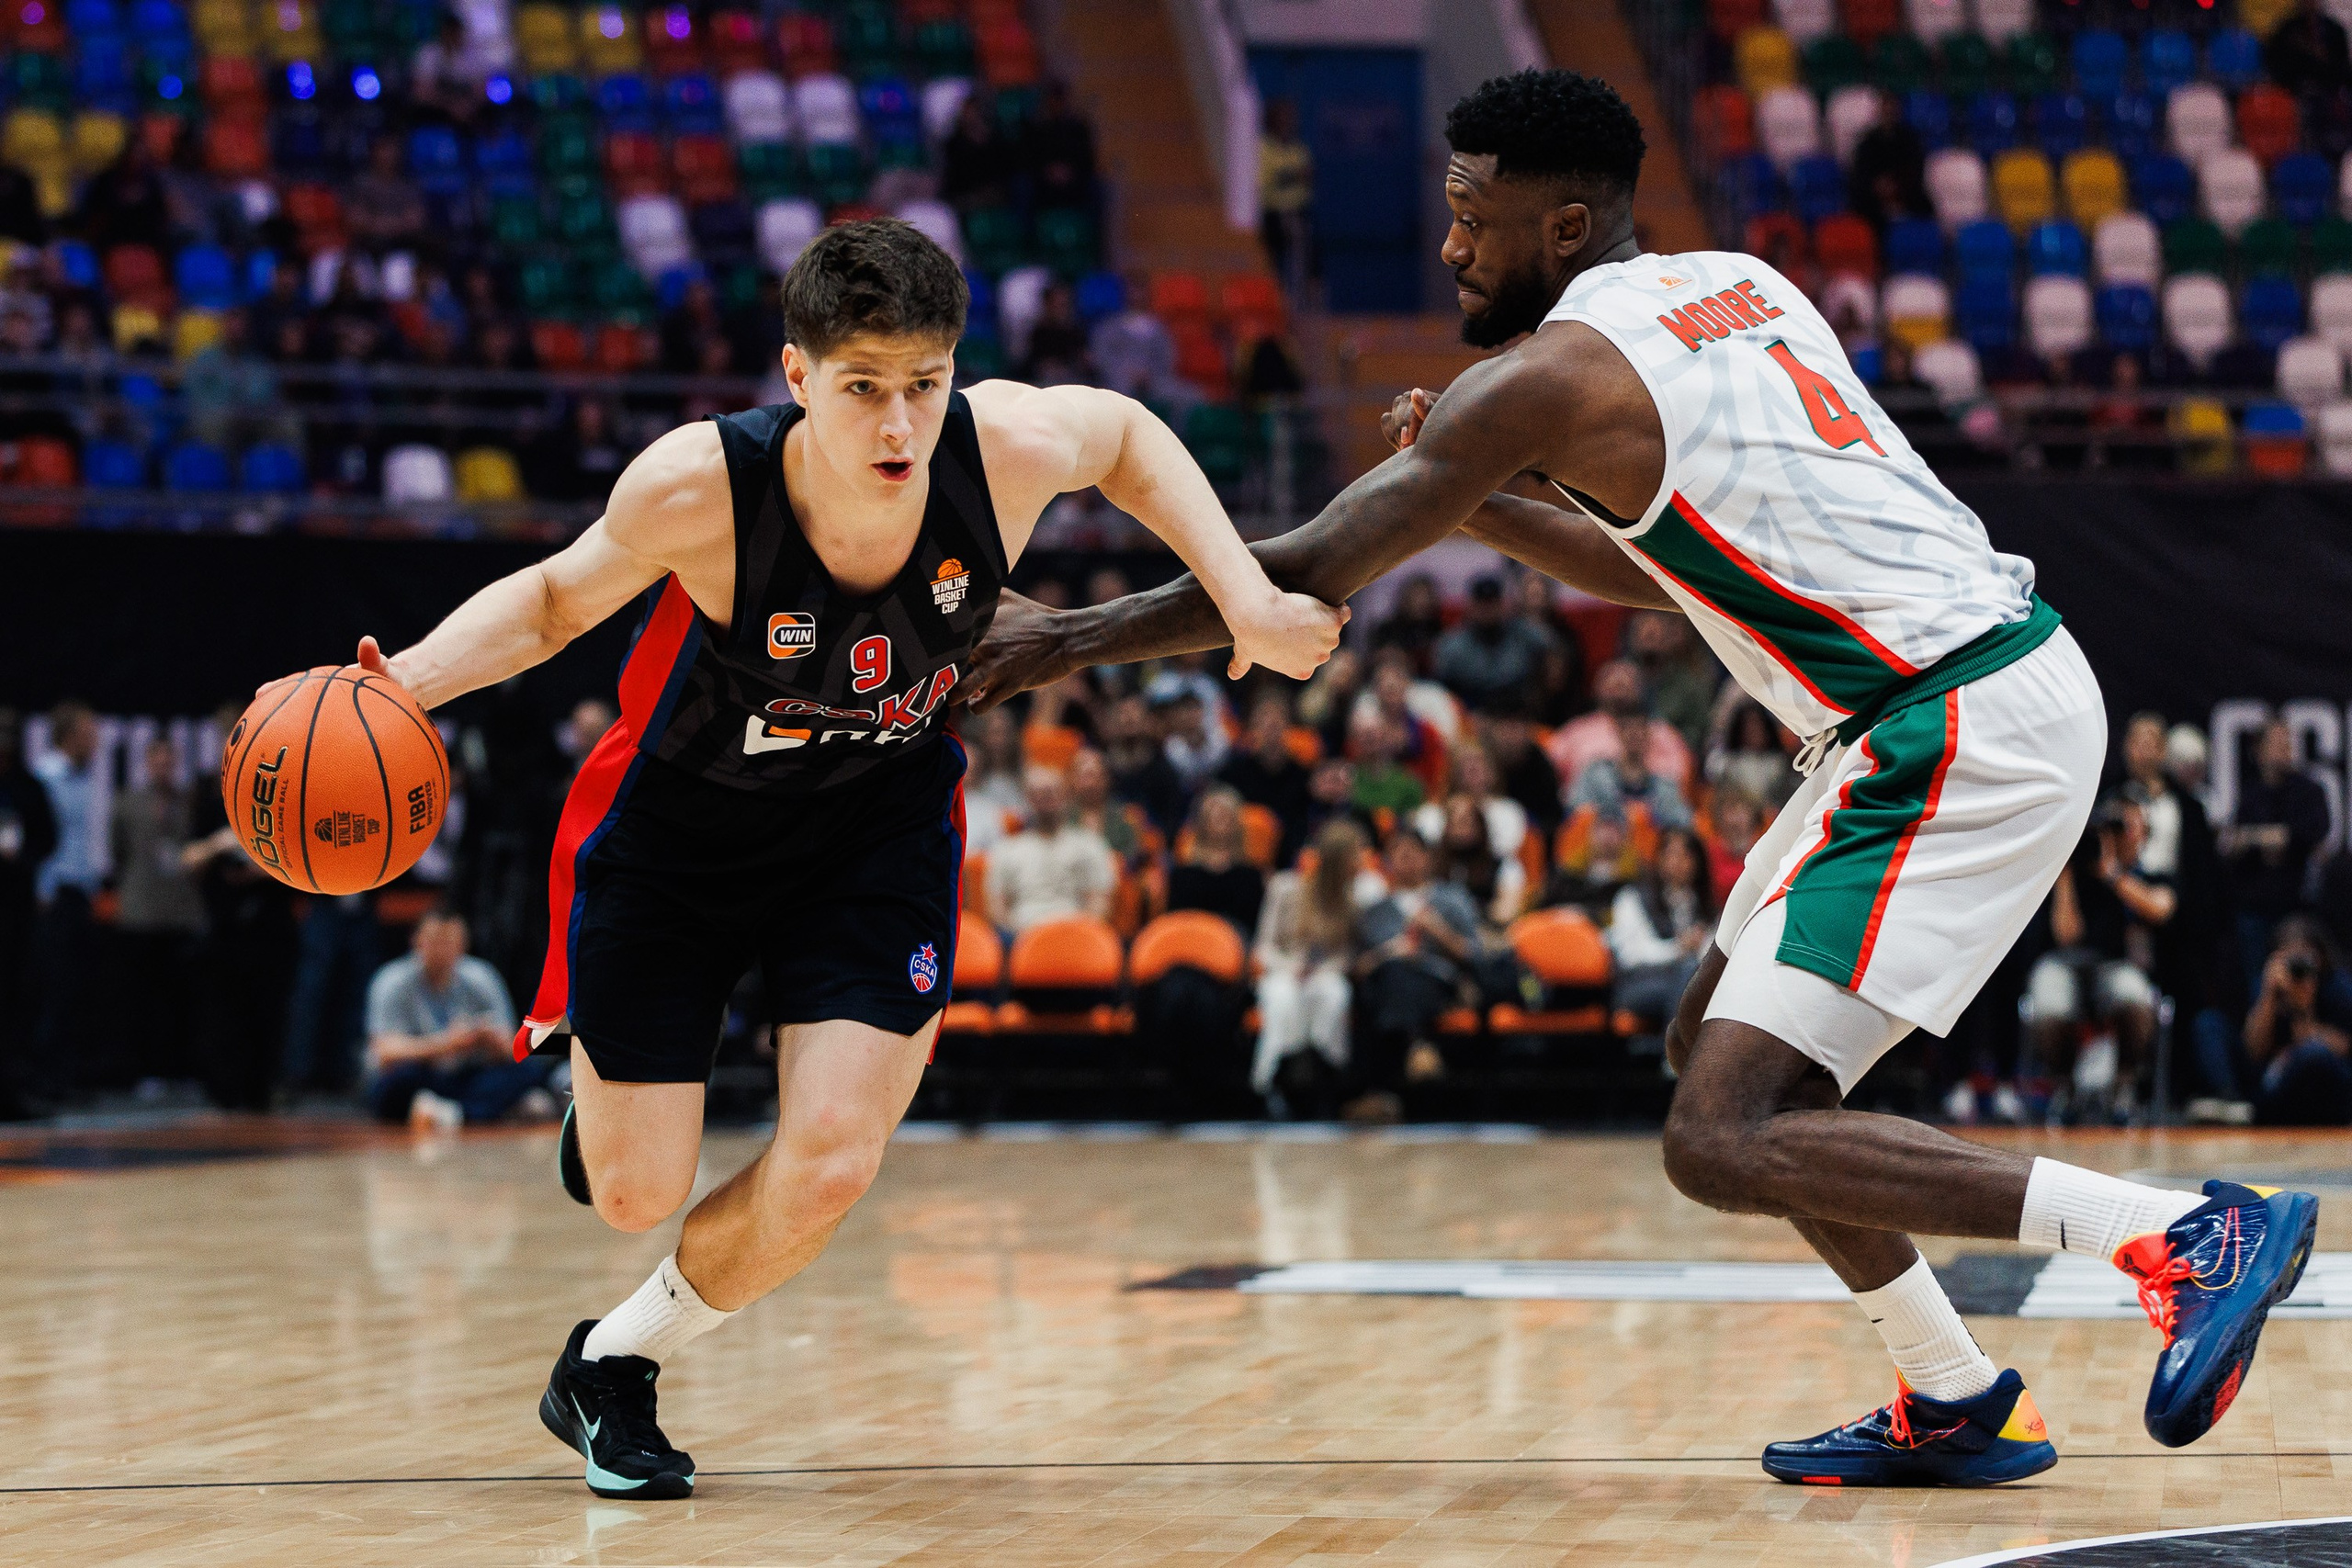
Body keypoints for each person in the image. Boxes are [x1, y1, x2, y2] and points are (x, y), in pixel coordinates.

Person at [965, 68, 2312, 1480]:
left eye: (1472, 217)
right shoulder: (1733, 283)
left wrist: (1060, 637)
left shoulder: (1550, 375)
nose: (1450, 247)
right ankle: (1955, 1393)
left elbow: (1298, 570)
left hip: (1948, 720)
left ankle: (2174, 1234)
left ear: (1559, 229)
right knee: (1711, 1049)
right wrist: (1489, 497)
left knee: (1722, 1130)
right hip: (1939, 700)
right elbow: (1676, 579)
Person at [341, 219, 1343, 1500]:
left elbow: (1133, 439)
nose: (897, 424)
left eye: (924, 385)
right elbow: (548, 601)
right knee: (637, 1189)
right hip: (680, 840)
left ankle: (611, 1363)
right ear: (798, 375)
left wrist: (1246, 598)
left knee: (830, 1158)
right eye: (863, 387)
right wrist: (405, 685)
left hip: (874, 827)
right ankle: (608, 1125)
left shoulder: (1005, 452)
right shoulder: (699, 486)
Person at [2022, 795, 2171, 1121]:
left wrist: (2112, 873)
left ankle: (2123, 1083)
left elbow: (2161, 908)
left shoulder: (2145, 873)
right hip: (2064, 960)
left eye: (2128, 827)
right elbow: (2067, 936)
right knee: (2049, 1006)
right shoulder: (2071, 871)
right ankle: (2065, 1085)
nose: (2119, 836)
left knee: (2133, 996)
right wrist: (2065, 873)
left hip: (2115, 964)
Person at [364, 908, 550, 1128]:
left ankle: (452, 1113)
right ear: (416, 941)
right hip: (422, 1073)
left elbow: (513, 1048)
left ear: (463, 944)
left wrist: (488, 1039)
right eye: (435, 942)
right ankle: (487, 1109)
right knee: (394, 1084)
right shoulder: (392, 981)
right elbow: (384, 1052)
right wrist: (445, 1044)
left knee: (530, 1071)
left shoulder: (482, 977)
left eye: (450, 942)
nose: (442, 951)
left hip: (468, 1073)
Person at [1351, 829, 1484, 1119]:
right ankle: (1418, 1049)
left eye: (1414, 852)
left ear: (1428, 858)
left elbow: (1475, 954)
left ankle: (1381, 1091)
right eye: (1399, 852)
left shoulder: (1452, 899)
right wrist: (1388, 952)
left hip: (1437, 980)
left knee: (1403, 982)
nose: (1407, 858)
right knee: (1391, 978)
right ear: (1386, 862)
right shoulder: (1375, 911)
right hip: (1386, 981)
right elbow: (1358, 968)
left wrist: (1439, 932)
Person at [109, 736, 205, 1091]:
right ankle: (143, 1071)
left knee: (178, 997)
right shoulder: (128, 803)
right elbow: (117, 852)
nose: (163, 768)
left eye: (169, 762)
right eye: (157, 761)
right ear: (147, 763)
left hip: (180, 911)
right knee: (141, 998)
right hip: (140, 912)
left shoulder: (187, 803)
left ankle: (176, 1068)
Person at [1251, 817, 1364, 1111]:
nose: (1360, 862)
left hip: (1324, 973)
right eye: (1354, 855)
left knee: (1334, 993)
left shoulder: (1351, 900)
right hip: (1283, 970)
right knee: (1282, 997)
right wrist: (1291, 967)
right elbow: (1264, 947)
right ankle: (1273, 1081)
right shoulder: (1285, 887)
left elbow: (1346, 956)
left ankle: (1322, 1074)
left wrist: (1321, 970)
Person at [2221, 716, 2329, 1005]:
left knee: (2301, 979)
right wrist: (2272, 839)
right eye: (2278, 743)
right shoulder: (2251, 794)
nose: (2286, 750)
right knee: (2258, 981)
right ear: (2260, 750)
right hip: (2254, 908)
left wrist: (2263, 838)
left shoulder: (2308, 790)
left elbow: (2312, 834)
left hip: (2294, 905)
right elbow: (2234, 844)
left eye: (2288, 743)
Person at [2227, 916, 2352, 1126]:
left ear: (2320, 956)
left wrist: (2305, 1009)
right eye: (2290, 957)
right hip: (2280, 1090)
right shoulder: (2272, 987)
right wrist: (2268, 995)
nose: (2298, 965)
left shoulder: (2336, 986)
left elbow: (2344, 1047)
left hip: (2329, 1085)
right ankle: (2229, 1103)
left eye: (2305, 956)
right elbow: (2253, 1050)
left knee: (2313, 1055)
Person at [0, 708, 57, 1117]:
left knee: (15, 1000)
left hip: (15, 911)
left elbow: (48, 837)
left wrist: (23, 859)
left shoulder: (28, 786)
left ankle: (12, 1092)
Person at [1608, 826, 1713, 1040]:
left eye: (1686, 855)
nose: (1678, 862)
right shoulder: (1632, 898)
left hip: (1687, 981)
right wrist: (1678, 948)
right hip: (1636, 985)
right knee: (1688, 975)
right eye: (1671, 853)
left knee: (1697, 978)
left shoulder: (1705, 906)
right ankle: (1673, 1059)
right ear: (1659, 858)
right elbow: (1631, 956)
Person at [987, 765, 1117, 935]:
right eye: (1036, 794)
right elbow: (997, 907)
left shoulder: (1090, 844)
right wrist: (1023, 938)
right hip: (1021, 936)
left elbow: (1100, 902)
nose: (1044, 799)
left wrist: (1080, 934)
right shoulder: (1006, 849)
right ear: (1027, 799)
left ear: (1066, 797)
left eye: (1050, 792)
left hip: (1075, 934)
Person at [1432, 574, 1555, 715]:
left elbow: (1554, 653)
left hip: (1520, 715)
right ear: (1470, 605)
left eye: (1493, 603)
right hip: (1470, 717)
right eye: (1482, 604)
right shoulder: (1451, 646)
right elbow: (1442, 694)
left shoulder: (1527, 636)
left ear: (1503, 604)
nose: (1488, 610)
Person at [1219, 693, 1315, 863]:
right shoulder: (1233, 772)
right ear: (1253, 726)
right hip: (1244, 861)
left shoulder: (1302, 775)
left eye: (1278, 717)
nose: (1271, 723)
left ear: (1288, 725)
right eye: (1264, 717)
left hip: (1290, 861)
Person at [1167, 784, 1264, 939]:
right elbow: (1175, 923)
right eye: (1216, 813)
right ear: (1202, 822)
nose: (1221, 818)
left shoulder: (1251, 877)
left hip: (1235, 944)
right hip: (1192, 942)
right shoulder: (1182, 876)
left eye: (1227, 814)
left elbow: (1253, 926)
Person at [1258, 98, 1315, 300]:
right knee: (1274, 261)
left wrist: (1291, 176)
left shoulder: (1298, 149)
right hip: (1274, 213)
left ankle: (1300, 301)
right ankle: (1276, 300)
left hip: (1298, 212)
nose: (1289, 122)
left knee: (1305, 260)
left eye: (1291, 119)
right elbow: (1265, 180)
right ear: (1273, 120)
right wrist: (1293, 176)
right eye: (1284, 118)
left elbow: (1308, 178)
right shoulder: (1264, 148)